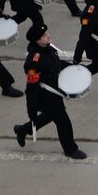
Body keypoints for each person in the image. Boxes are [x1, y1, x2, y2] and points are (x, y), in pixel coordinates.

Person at [12, 23, 87, 159]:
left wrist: (72, 67)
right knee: (63, 121)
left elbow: (57, 64)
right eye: (45, 36)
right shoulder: (33, 62)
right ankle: (70, 149)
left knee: (49, 116)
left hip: (55, 91)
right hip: (45, 96)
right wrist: (32, 110)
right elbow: (32, 87)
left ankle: (22, 130)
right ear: (37, 40)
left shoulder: (49, 48)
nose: (48, 36)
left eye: (47, 34)